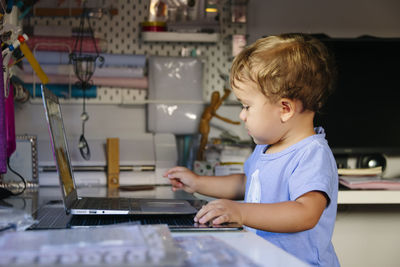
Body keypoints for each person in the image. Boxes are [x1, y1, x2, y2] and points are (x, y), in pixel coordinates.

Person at [164, 33, 339, 266]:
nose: (242, 115)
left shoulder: (312, 153)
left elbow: (305, 213)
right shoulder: (267, 147)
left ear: (285, 109)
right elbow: (246, 183)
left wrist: (241, 212)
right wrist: (198, 183)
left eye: (247, 106)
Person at [197, 88, 240, 161]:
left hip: (204, 125)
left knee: (203, 143)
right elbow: (221, 118)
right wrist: (233, 122)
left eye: (217, 97)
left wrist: (226, 94)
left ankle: (200, 158)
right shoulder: (210, 109)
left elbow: (220, 101)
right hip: (204, 126)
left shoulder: (213, 107)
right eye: (215, 98)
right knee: (203, 143)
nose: (216, 99)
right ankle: (200, 158)